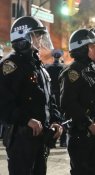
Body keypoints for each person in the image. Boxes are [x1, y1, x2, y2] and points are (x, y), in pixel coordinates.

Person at [0, 16, 63, 175]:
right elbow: (4, 103)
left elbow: (49, 99)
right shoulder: (11, 65)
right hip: (21, 138)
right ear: (24, 37)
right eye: (36, 35)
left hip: (40, 139)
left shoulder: (38, 66)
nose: (40, 39)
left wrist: (55, 120)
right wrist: (26, 119)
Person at [59, 28, 95, 175]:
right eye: (93, 47)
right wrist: (88, 123)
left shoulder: (92, 71)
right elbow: (68, 103)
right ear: (82, 48)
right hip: (80, 134)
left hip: (93, 134)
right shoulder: (72, 72)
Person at [45, 49, 67, 147]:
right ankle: (63, 140)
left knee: (53, 117)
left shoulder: (47, 67)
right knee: (63, 117)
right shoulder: (65, 67)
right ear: (60, 57)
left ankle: (52, 139)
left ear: (53, 57)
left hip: (52, 95)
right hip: (61, 95)